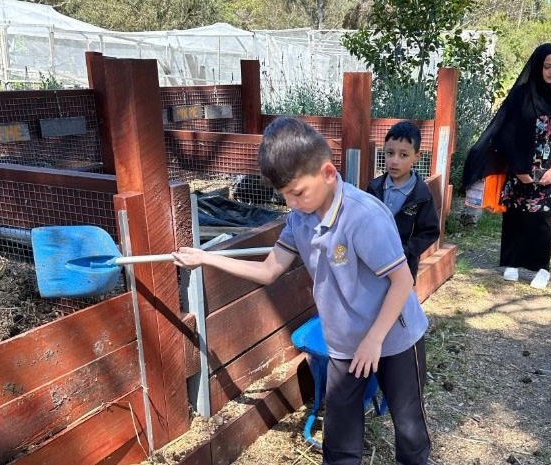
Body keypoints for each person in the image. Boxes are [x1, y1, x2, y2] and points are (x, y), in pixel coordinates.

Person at [173, 117, 431, 464]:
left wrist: (374, 340)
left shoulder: (364, 216)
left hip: (395, 337)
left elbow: (403, 281)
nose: (292, 203)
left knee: (409, 426)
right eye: (285, 196)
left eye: (297, 193)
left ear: (326, 173)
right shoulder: (299, 218)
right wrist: (206, 257)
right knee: (339, 436)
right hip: (344, 341)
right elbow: (269, 271)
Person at [462, 43, 551, 289]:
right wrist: (519, 170)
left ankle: (542, 268)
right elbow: (505, 134)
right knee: (515, 215)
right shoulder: (521, 95)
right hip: (519, 169)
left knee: (542, 219)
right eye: (547, 66)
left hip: (548, 172)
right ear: (537, 66)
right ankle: (512, 262)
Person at [366, 120, 440, 283]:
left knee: (399, 303)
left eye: (403, 155)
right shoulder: (374, 188)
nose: (394, 161)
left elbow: (430, 231)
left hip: (404, 264)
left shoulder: (421, 195)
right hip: (372, 262)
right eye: (390, 153)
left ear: (417, 156)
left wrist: (407, 251)